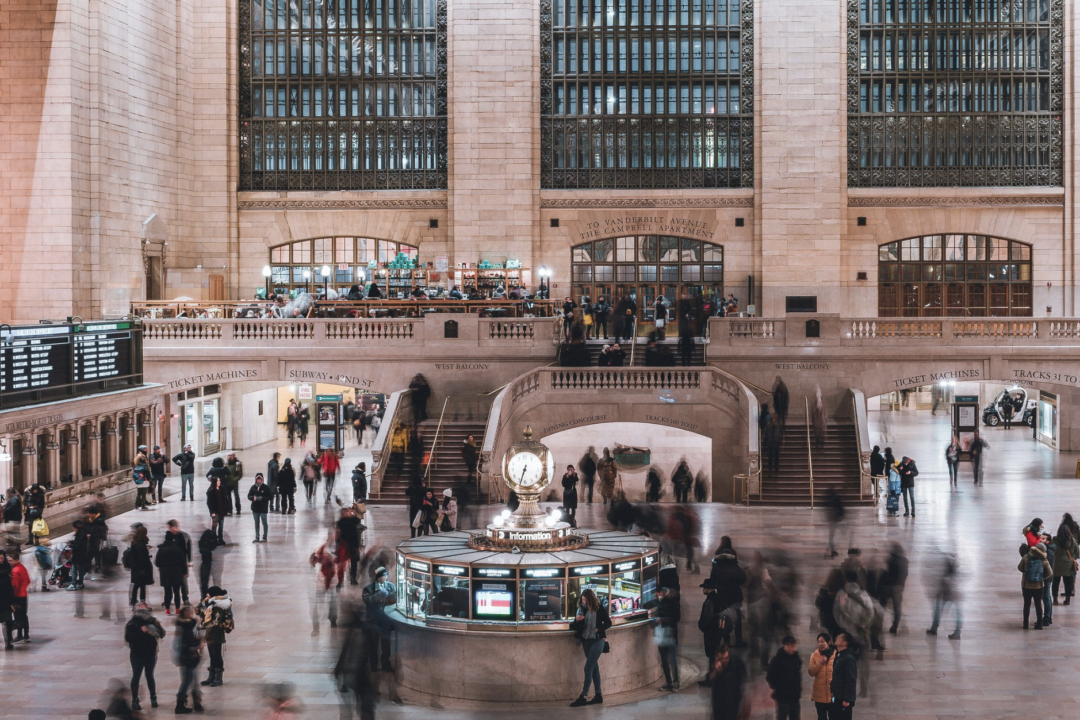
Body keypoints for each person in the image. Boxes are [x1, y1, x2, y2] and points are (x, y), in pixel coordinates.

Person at [569, 588, 611, 707]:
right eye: (582, 600)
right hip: (585, 641)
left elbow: (609, 622)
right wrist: (576, 621)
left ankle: (583, 696)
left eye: (586, 600)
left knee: (588, 667)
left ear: (591, 599)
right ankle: (598, 695)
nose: (584, 602)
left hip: (598, 640)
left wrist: (599, 629)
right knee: (594, 667)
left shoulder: (599, 609)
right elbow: (575, 627)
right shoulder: (580, 610)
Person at [125, 601, 165, 710]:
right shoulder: (132, 623)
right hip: (137, 654)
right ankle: (135, 699)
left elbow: (162, 634)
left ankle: (153, 697)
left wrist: (156, 628)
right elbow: (128, 638)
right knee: (136, 676)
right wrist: (141, 632)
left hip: (151, 653)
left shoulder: (153, 621)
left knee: (150, 675)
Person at [710, 542, 747, 647]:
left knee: (723, 618)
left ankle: (726, 642)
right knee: (737, 620)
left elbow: (712, 580)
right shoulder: (734, 566)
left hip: (722, 597)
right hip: (735, 598)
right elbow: (743, 579)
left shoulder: (717, 567)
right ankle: (739, 640)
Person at [362, 567, 397, 672]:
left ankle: (386, 664)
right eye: (384, 575)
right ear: (379, 577)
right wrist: (380, 594)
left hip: (385, 621)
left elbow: (395, 597)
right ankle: (373, 666)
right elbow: (368, 601)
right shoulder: (368, 588)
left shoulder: (391, 586)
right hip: (373, 620)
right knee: (373, 644)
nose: (386, 577)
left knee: (386, 645)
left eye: (387, 575)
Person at [310, 530, 345, 631]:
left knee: (333, 601)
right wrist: (315, 559)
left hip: (333, 578)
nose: (332, 538)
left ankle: (333, 620)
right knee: (317, 601)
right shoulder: (323, 547)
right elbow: (315, 560)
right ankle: (316, 627)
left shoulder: (339, 549)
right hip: (323, 577)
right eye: (331, 536)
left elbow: (340, 562)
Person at [198, 586, 233, 687]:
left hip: (216, 634)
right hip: (210, 634)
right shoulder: (212, 605)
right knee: (212, 655)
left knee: (217, 655)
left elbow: (215, 622)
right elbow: (207, 617)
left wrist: (203, 624)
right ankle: (211, 677)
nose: (206, 595)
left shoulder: (218, 606)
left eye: (208, 593)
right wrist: (199, 613)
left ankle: (218, 677)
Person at [172, 604, 204, 714]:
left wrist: (200, 641)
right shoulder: (183, 626)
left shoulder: (194, 623)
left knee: (194, 680)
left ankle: (196, 702)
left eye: (191, 611)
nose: (190, 612)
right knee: (187, 680)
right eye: (187, 611)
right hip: (186, 657)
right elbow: (179, 644)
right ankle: (180, 704)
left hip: (193, 657)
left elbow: (200, 633)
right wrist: (194, 647)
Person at [926, 553, 962, 639]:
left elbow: (946, 586)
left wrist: (938, 594)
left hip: (949, 596)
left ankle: (935, 629)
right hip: (952, 596)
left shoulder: (947, 576)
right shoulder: (953, 573)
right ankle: (955, 632)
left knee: (940, 611)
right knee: (954, 613)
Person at [766, 635, 802, 720]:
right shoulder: (777, 660)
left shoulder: (796, 658)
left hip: (794, 696)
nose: (793, 648)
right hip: (783, 696)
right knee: (782, 716)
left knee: (795, 716)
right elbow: (770, 676)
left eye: (794, 645)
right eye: (790, 645)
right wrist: (778, 687)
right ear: (785, 646)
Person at [653, 585, 681, 690]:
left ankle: (676, 681)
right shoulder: (661, 602)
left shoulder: (673, 602)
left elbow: (676, 618)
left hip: (671, 634)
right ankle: (669, 681)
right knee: (664, 660)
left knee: (672, 659)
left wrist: (662, 620)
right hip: (661, 635)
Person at [1019, 542, 1052, 629]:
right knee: (1038, 604)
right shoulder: (1044, 559)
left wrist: (1026, 573)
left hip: (1026, 585)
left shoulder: (1027, 556)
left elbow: (1020, 567)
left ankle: (1025, 624)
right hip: (1038, 586)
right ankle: (1039, 624)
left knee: (1027, 604)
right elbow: (1050, 572)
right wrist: (1041, 577)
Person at [697, 578, 724, 686]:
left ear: (708, 589)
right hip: (717, 631)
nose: (703, 589)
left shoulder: (709, 601)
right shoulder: (717, 598)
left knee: (711, 655)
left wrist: (702, 626)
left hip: (711, 632)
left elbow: (707, 618)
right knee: (714, 655)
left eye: (704, 587)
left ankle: (712, 679)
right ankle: (714, 677)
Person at [709, 645, 747, 720]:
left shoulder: (735, 665)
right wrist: (716, 671)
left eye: (726, 658)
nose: (724, 661)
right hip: (719, 703)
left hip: (732, 702)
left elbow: (739, 681)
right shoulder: (716, 666)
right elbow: (710, 680)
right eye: (722, 659)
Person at [879, 543, 908, 634]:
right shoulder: (905, 560)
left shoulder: (890, 559)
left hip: (888, 586)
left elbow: (886, 571)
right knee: (897, 608)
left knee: (882, 605)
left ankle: (879, 624)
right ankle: (894, 626)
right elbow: (905, 574)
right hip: (898, 587)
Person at [155, 533, 187, 616]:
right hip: (177, 572)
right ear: (173, 539)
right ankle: (177, 609)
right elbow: (183, 561)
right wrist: (184, 572)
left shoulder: (161, 549)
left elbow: (157, 562)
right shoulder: (177, 549)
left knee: (167, 592)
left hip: (165, 573)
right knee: (177, 592)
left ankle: (168, 609)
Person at [830, 632, 857, 720]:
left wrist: (847, 699)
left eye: (839, 637)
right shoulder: (839, 655)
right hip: (837, 696)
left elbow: (851, 679)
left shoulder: (848, 658)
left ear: (845, 643)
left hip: (843, 699)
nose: (836, 638)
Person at [807, 633, 835, 720]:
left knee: (834, 716)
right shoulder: (814, 655)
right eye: (818, 642)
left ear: (829, 642)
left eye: (822, 641)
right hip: (819, 695)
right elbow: (811, 672)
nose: (820, 644)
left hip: (833, 695)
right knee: (821, 717)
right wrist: (820, 662)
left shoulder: (836, 655)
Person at [126, 525, 154, 609]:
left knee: (136, 585)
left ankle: (134, 601)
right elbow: (142, 558)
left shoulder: (134, 542)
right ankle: (142, 602)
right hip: (142, 569)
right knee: (142, 586)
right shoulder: (141, 545)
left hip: (135, 568)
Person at [336, 507, 364, 585]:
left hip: (353, 544)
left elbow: (358, 521)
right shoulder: (341, 522)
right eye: (346, 512)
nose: (348, 513)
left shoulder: (352, 520)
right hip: (344, 544)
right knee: (341, 563)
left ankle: (353, 578)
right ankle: (340, 581)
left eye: (349, 512)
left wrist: (353, 514)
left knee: (354, 562)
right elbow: (338, 533)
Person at [1052, 524, 1078, 605]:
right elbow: (1077, 552)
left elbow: (1051, 550)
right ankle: (1067, 600)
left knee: (1055, 582)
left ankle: (1055, 600)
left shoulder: (1055, 540)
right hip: (1068, 565)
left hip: (1057, 564)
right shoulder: (1072, 541)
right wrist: (1072, 557)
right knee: (1068, 583)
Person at [8, 551, 29, 644]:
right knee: (24, 615)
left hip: (17, 596)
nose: (9, 562)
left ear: (16, 560)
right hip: (24, 595)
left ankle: (19, 635)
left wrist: (11, 596)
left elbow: (14, 585)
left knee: (17, 616)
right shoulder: (22, 568)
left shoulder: (15, 570)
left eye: (11, 561)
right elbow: (28, 580)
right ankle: (26, 635)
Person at [247, 473, 271, 542]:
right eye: (258, 479)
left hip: (263, 508)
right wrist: (252, 498)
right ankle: (257, 536)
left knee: (264, 523)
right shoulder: (253, 487)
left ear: (262, 480)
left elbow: (270, 496)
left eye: (260, 479)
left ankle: (265, 537)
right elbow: (249, 496)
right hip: (255, 508)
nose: (259, 481)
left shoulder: (266, 487)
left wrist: (263, 498)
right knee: (256, 523)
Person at [205, 477, 228, 545]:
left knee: (221, 526)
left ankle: (220, 538)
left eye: (219, 480)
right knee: (215, 526)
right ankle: (213, 539)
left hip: (221, 511)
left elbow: (225, 500)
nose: (219, 482)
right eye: (218, 481)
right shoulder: (211, 491)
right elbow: (209, 503)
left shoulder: (221, 489)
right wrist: (212, 512)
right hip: (215, 511)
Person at [0, 554, 12, 650]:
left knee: (6, 622)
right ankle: (7, 642)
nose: (0, 560)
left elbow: (10, 589)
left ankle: (7, 642)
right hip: (4, 600)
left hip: (4, 601)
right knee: (5, 622)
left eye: (2, 558)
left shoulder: (8, 570)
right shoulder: (7, 571)